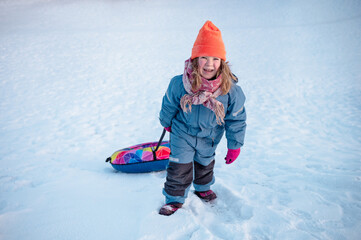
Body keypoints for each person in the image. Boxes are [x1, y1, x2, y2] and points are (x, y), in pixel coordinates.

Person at [158, 20, 247, 216]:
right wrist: (167, 122)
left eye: (215, 59)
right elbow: (169, 103)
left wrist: (235, 145)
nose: (209, 64)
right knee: (179, 165)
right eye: (204, 57)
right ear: (195, 59)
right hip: (183, 131)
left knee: (205, 163)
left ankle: (202, 187)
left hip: (211, 134)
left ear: (222, 62)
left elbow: (236, 119)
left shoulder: (230, 90)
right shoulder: (180, 83)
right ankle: (174, 199)